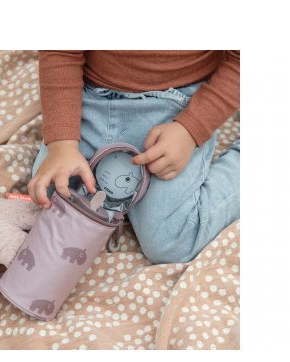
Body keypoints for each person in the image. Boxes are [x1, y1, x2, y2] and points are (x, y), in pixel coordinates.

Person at [28, 51, 240, 263]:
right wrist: (62, 144)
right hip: (91, 97)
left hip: (177, 110)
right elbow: (60, 52)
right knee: (47, 197)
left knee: (173, 242)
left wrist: (191, 128)